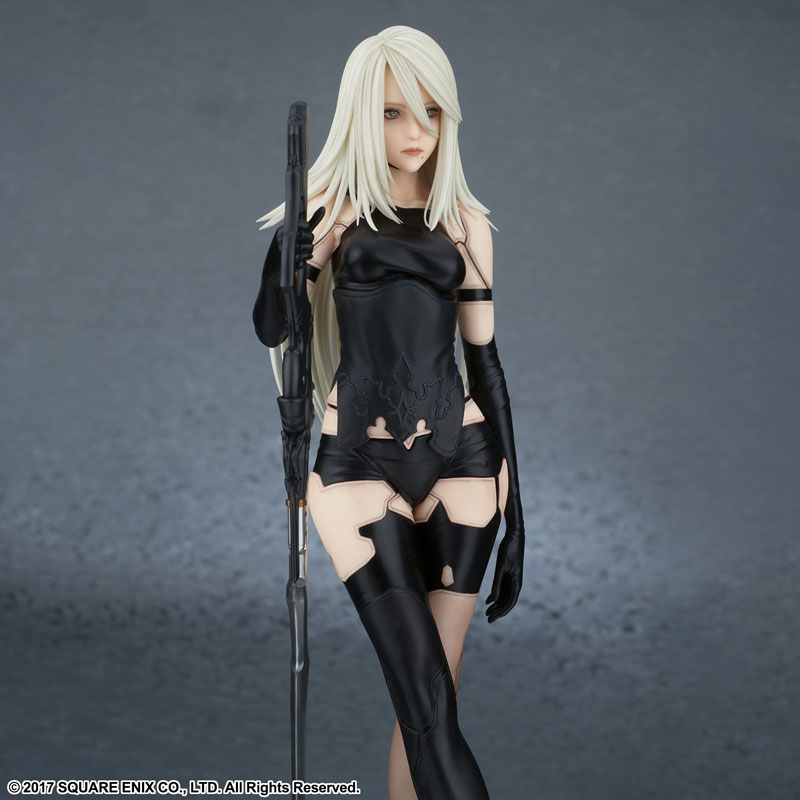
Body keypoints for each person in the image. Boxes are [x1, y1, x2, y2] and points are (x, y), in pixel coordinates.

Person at [252, 25, 524, 800]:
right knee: (425, 699)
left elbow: (486, 363)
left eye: (431, 111)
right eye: (393, 112)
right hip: (357, 466)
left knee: (437, 698)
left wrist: (519, 515)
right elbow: (273, 328)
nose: (416, 131)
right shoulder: (330, 208)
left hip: (465, 462)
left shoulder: (464, 223)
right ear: (359, 115)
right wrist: (296, 252)